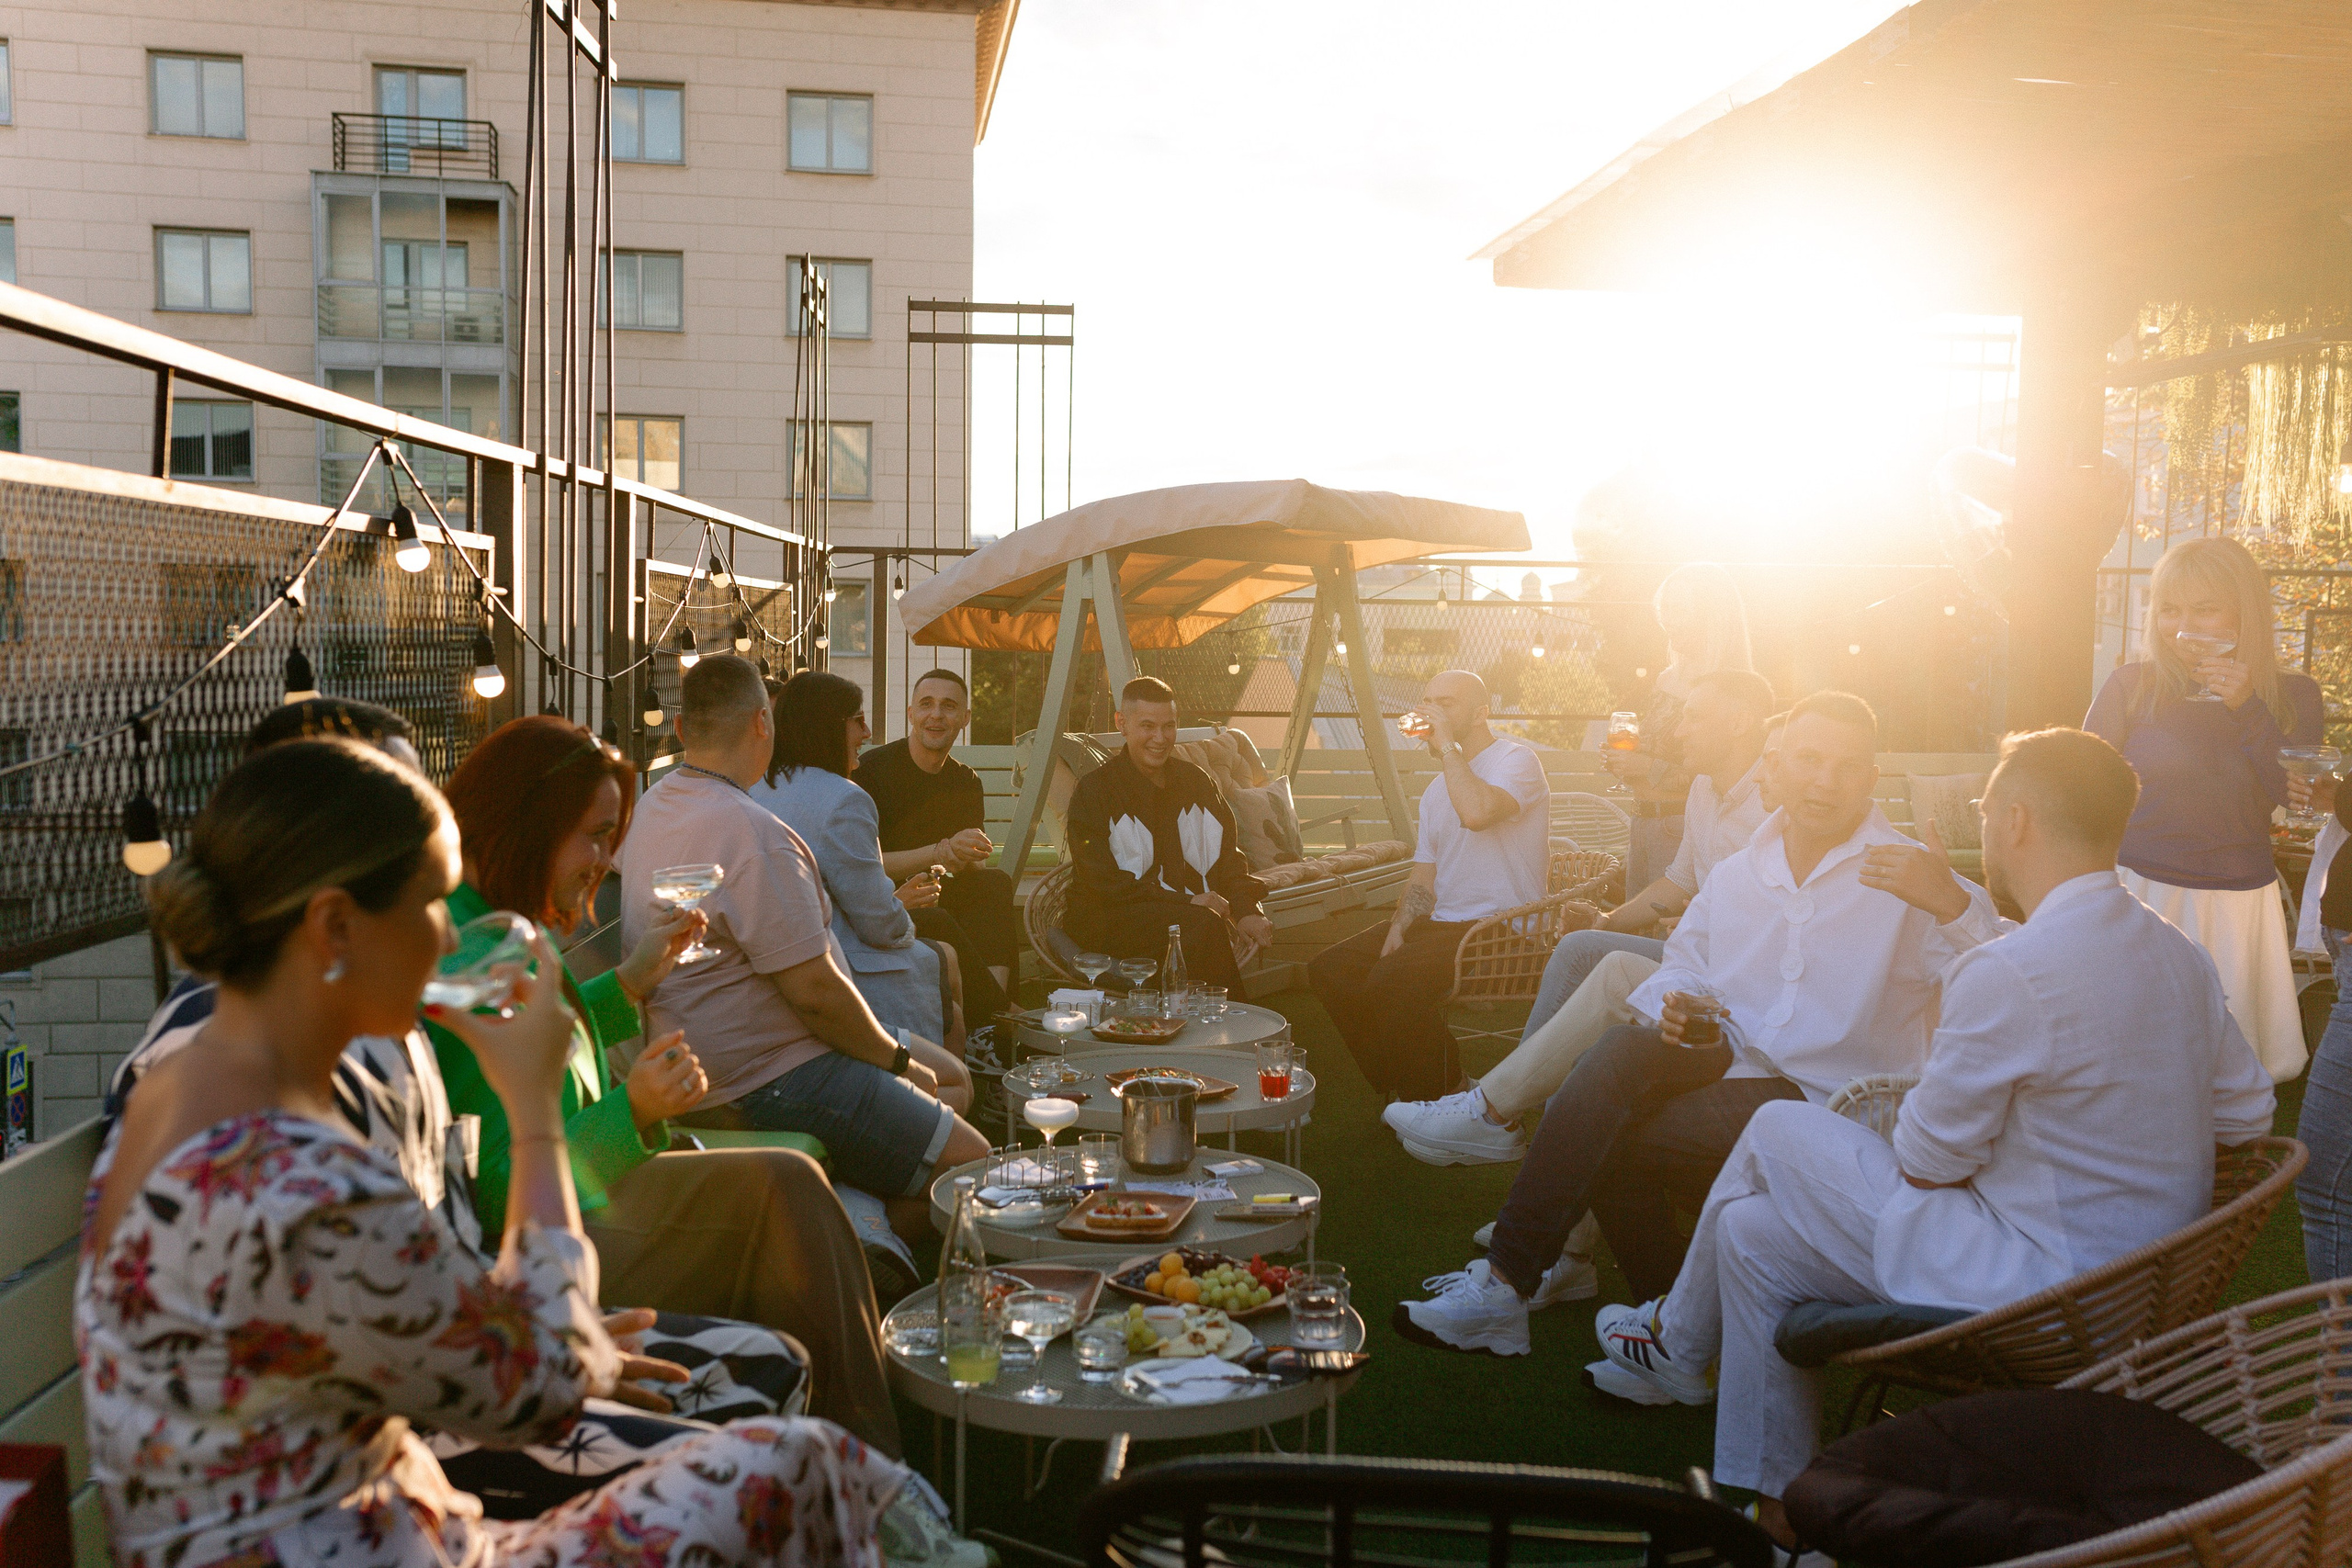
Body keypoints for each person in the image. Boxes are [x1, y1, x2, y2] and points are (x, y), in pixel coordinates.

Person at [84, 736, 907, 1568]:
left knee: (787, 1463)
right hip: (358, 1545)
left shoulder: (182, 1094)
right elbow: (540, 1383)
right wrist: (533, 1107)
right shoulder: (298, 1171)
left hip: (332, 1520)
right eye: (432, 903)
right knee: (796, 1472)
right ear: (334, 924)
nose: (449, 938)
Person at [1589, 728, 2276, 1553]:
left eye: (1985, 810)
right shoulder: (2180, 953)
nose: (1981, 828)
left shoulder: (2011, 968)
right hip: (2149, 1282)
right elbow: (2246, 1116)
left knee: (1776, 1125)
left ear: (2015, 820)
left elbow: (1926, 1159)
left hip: (2034, 1292)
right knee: (1749, 1234)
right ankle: (1783, 1517)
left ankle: (1677, 1340)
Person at [1395, 692, 2003, 1355]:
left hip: (1830, 1100)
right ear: (1776, 762)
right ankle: (1535, 1284)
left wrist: (1950, 902)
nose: (1825, 780)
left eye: (1847, 765)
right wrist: (1680, 1000)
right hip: (1734, 1060)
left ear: (1872, 779)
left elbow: (2014, 987)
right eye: (1809, 758)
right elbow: (1685, 960)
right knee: (1628, 1049)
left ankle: (1617, 1310)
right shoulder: (1742, 870)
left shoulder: (1909, 872)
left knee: (1616, 1138)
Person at [430, 713, 908, 1453]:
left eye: (613, 837)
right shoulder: (479, 948)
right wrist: (635, 1107)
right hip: (539, 1243)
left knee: (791, 1189)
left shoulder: (493, 923)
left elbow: (537, 1035)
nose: (605, 858)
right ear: (525, 823)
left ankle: (846, 1448)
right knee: (784, 1190)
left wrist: (630, 981)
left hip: (590, 1199)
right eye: (593, 834)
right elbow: (496, 1184)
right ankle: (869, 1462)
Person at [619, 654, 988, 1230]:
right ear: (765, 724)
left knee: (951, 1078)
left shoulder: (653, 806)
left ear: (684, 732)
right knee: (973, 1167)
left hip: (724, 1050)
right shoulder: (753, 833)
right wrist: (894, 1061)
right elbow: (814, 992)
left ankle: (862, 1196)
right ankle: (868, 1239)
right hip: (769, 1074)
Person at [1381, 670, 1776, 1164]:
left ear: (1739, 722)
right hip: (1701, 954)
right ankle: (1504, 1114)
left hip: (1741, 974)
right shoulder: (1703, 789)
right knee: (1581, 946)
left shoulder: (1777, 798)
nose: (1677, 730)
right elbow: (1677, 883)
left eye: (1693, 717)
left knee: (1606, 967)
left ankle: (1495, 1114)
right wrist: (1607, 920)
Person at [2084, 535, 2322, 1081]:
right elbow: (2083, 784)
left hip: (2236, 900)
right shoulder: (2132, 686)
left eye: (2203, 609)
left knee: (2226, 1071)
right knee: (2128, 1060)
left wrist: (2248, 709)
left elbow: (2292, 795)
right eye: (2169, 609)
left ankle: (2228, 1165)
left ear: (2245, 614)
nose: (2180, 625)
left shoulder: (2294, 694)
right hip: (2138, 890)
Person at [1308, 670, 1551, 1101]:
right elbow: (1425, 875)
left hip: (1506, 928)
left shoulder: (1517, 760)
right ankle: (1402, 1087)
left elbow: (1477, 813)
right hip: (1445, 924)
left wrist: (1446, 748)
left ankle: (1450, 1092)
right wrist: (1398, 928)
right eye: (1426, 700)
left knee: (1393, 981)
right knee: (1332, 968)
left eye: (1446, 702)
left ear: (1481, 714)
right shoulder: (1437, 789)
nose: (1430, 710)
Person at [754, 671, 954, 1047]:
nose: (867, 733)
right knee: (943, 975)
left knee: (946, 966)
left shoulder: (758, 788)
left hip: (771, 975)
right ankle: (952, 1092)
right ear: (828, 726)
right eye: (858, 721)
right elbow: (881, 925)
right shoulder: (844, 799)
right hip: (838, 974)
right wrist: (901, 912)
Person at [1064, 674, 1274, 991]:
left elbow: (1229, 857)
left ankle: (1206, 1024)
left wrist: (1246, 910)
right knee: (1202, 926)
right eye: (1148, 726)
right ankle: (1232, 1026)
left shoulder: (1197, 783)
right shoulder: (1095, 791)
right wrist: (1186, 902)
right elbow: (1103, 882)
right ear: (1122, 723)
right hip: (1112, 918)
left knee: (1200, 927)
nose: (1160, 738)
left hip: (1187, 919)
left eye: (1169, 726)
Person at [858, 667, 1017, 1029]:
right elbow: (864, 865)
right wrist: (940, 851)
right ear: (911, 714)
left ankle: (989, 1023)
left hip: (942, 892)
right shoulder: (872, 772)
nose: (936, 714)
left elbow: (964, 867)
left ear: (965, 718)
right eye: (926, 704)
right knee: (940, 918)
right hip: (888, 900)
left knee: (994, 884)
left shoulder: (965, 780)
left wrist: (969, 855)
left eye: (948, 706)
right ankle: (1000, 1015)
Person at [1611, 564, 1756, 888]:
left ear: (1711, 615)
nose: (1668, 621)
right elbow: (1651, 749)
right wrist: (1625, 761)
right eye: (1665, 609)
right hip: (1642, 821)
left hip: (1679, 826)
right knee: (1634, 931)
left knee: (1665, 930)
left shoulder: (1728, 686)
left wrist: (1647, 767)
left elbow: (1725, 775)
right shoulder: (1665, 678)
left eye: (1679, 610)